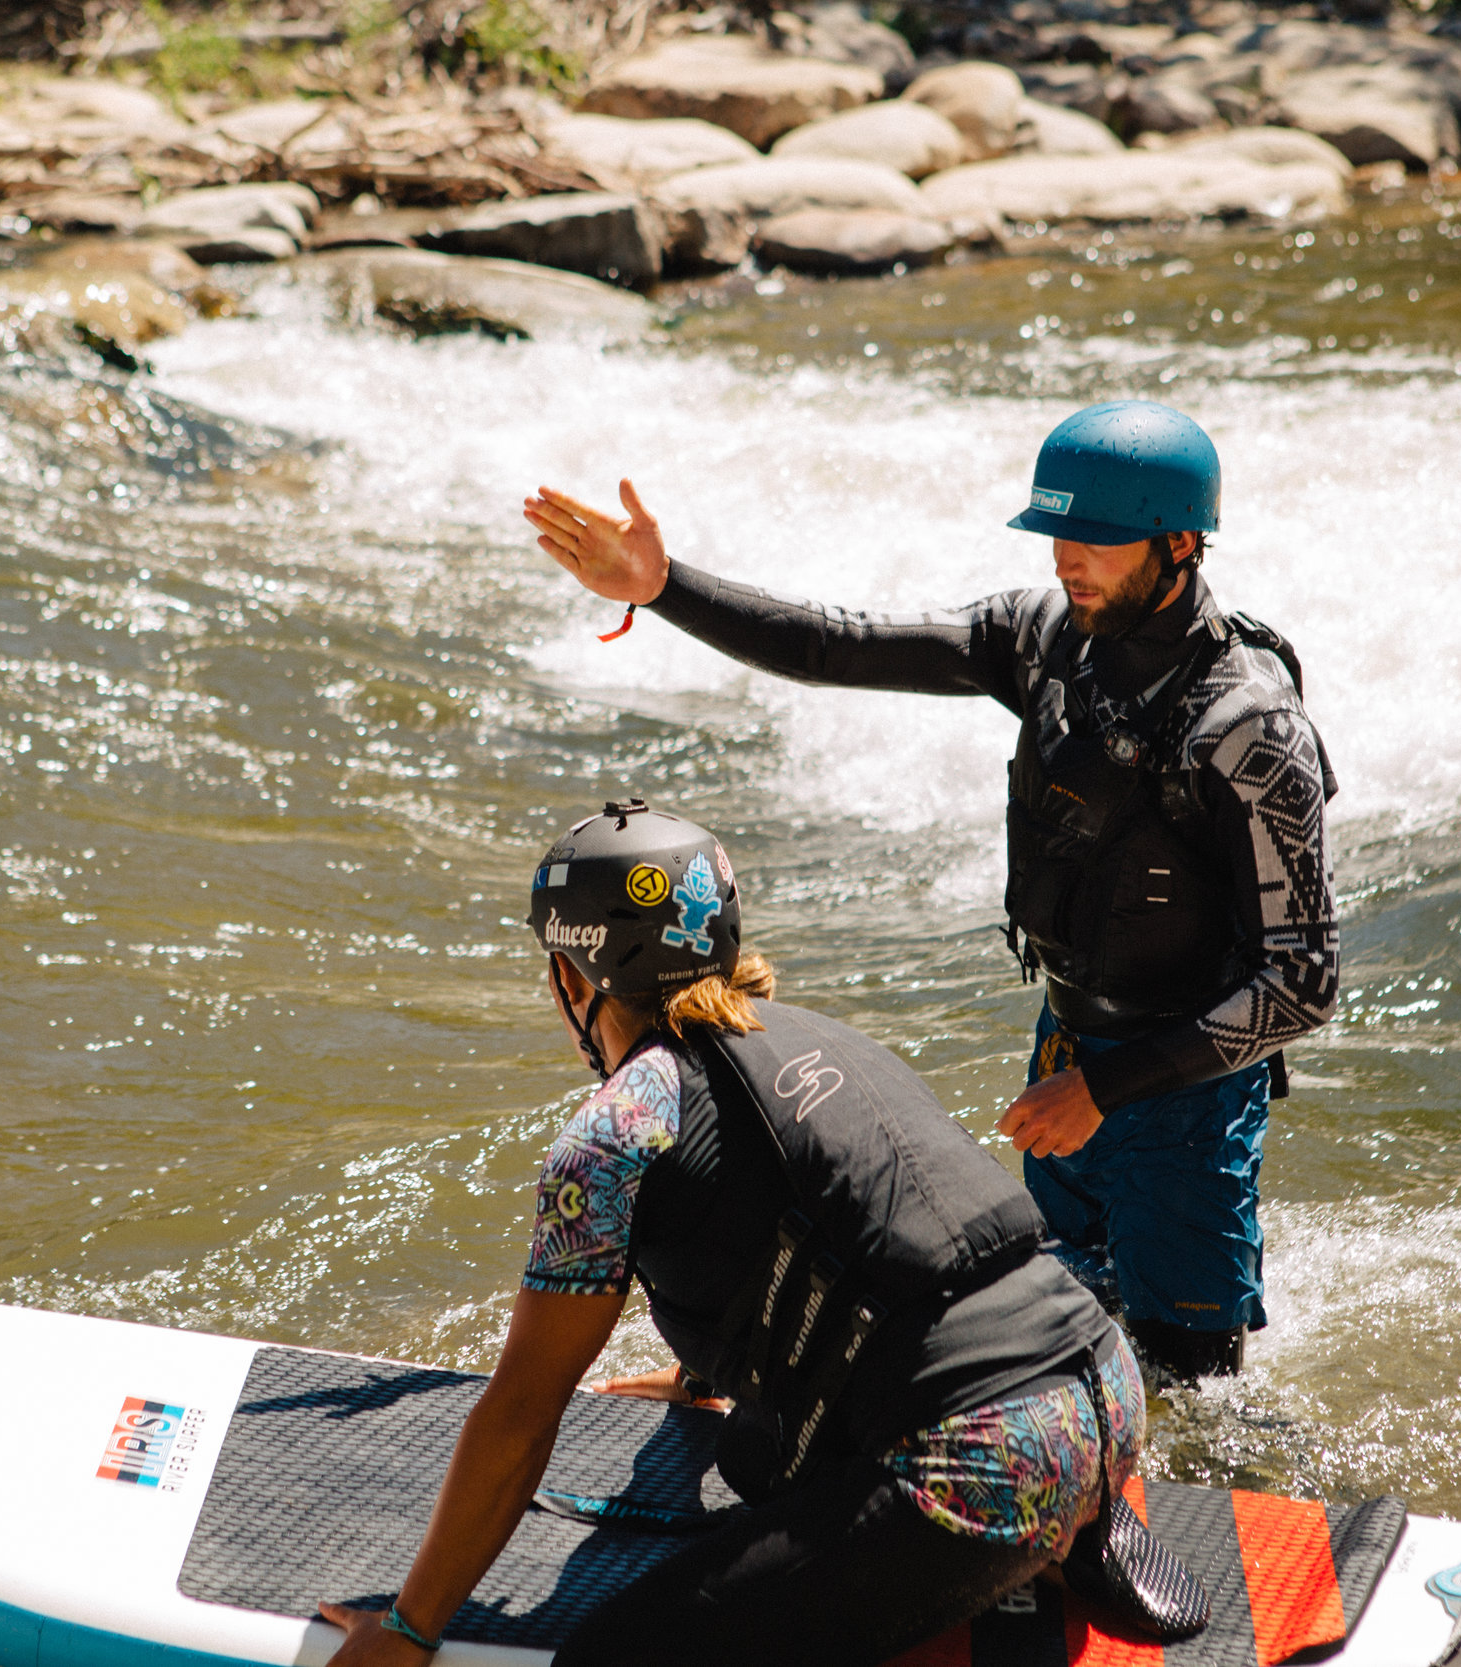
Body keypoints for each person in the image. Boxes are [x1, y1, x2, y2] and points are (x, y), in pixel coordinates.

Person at [521, 402, 1338, 1384]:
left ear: (1178, 542)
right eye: (1055, 534)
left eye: (1095, 539)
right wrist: (665, 587)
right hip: (1070, 1050)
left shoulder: (1250, 727)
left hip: (1183, 1092)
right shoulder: (1044, 640)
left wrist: (1102, 1092)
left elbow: (1302, 980)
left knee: (1192, 1382)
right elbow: (838, 643)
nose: (1065, 559)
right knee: (1064, 1334)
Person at [321, 799, 1198, 1667]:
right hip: (1105, 1388)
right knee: (751, 1448)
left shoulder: (618, 1127)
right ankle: (1068, 1521)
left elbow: (522, 1410)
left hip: (989, 1458)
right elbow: (842, 1226)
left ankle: (1034, 1529)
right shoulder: (820, 1038)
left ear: (573, 977)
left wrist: (407, 1630)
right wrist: (698, 1371)